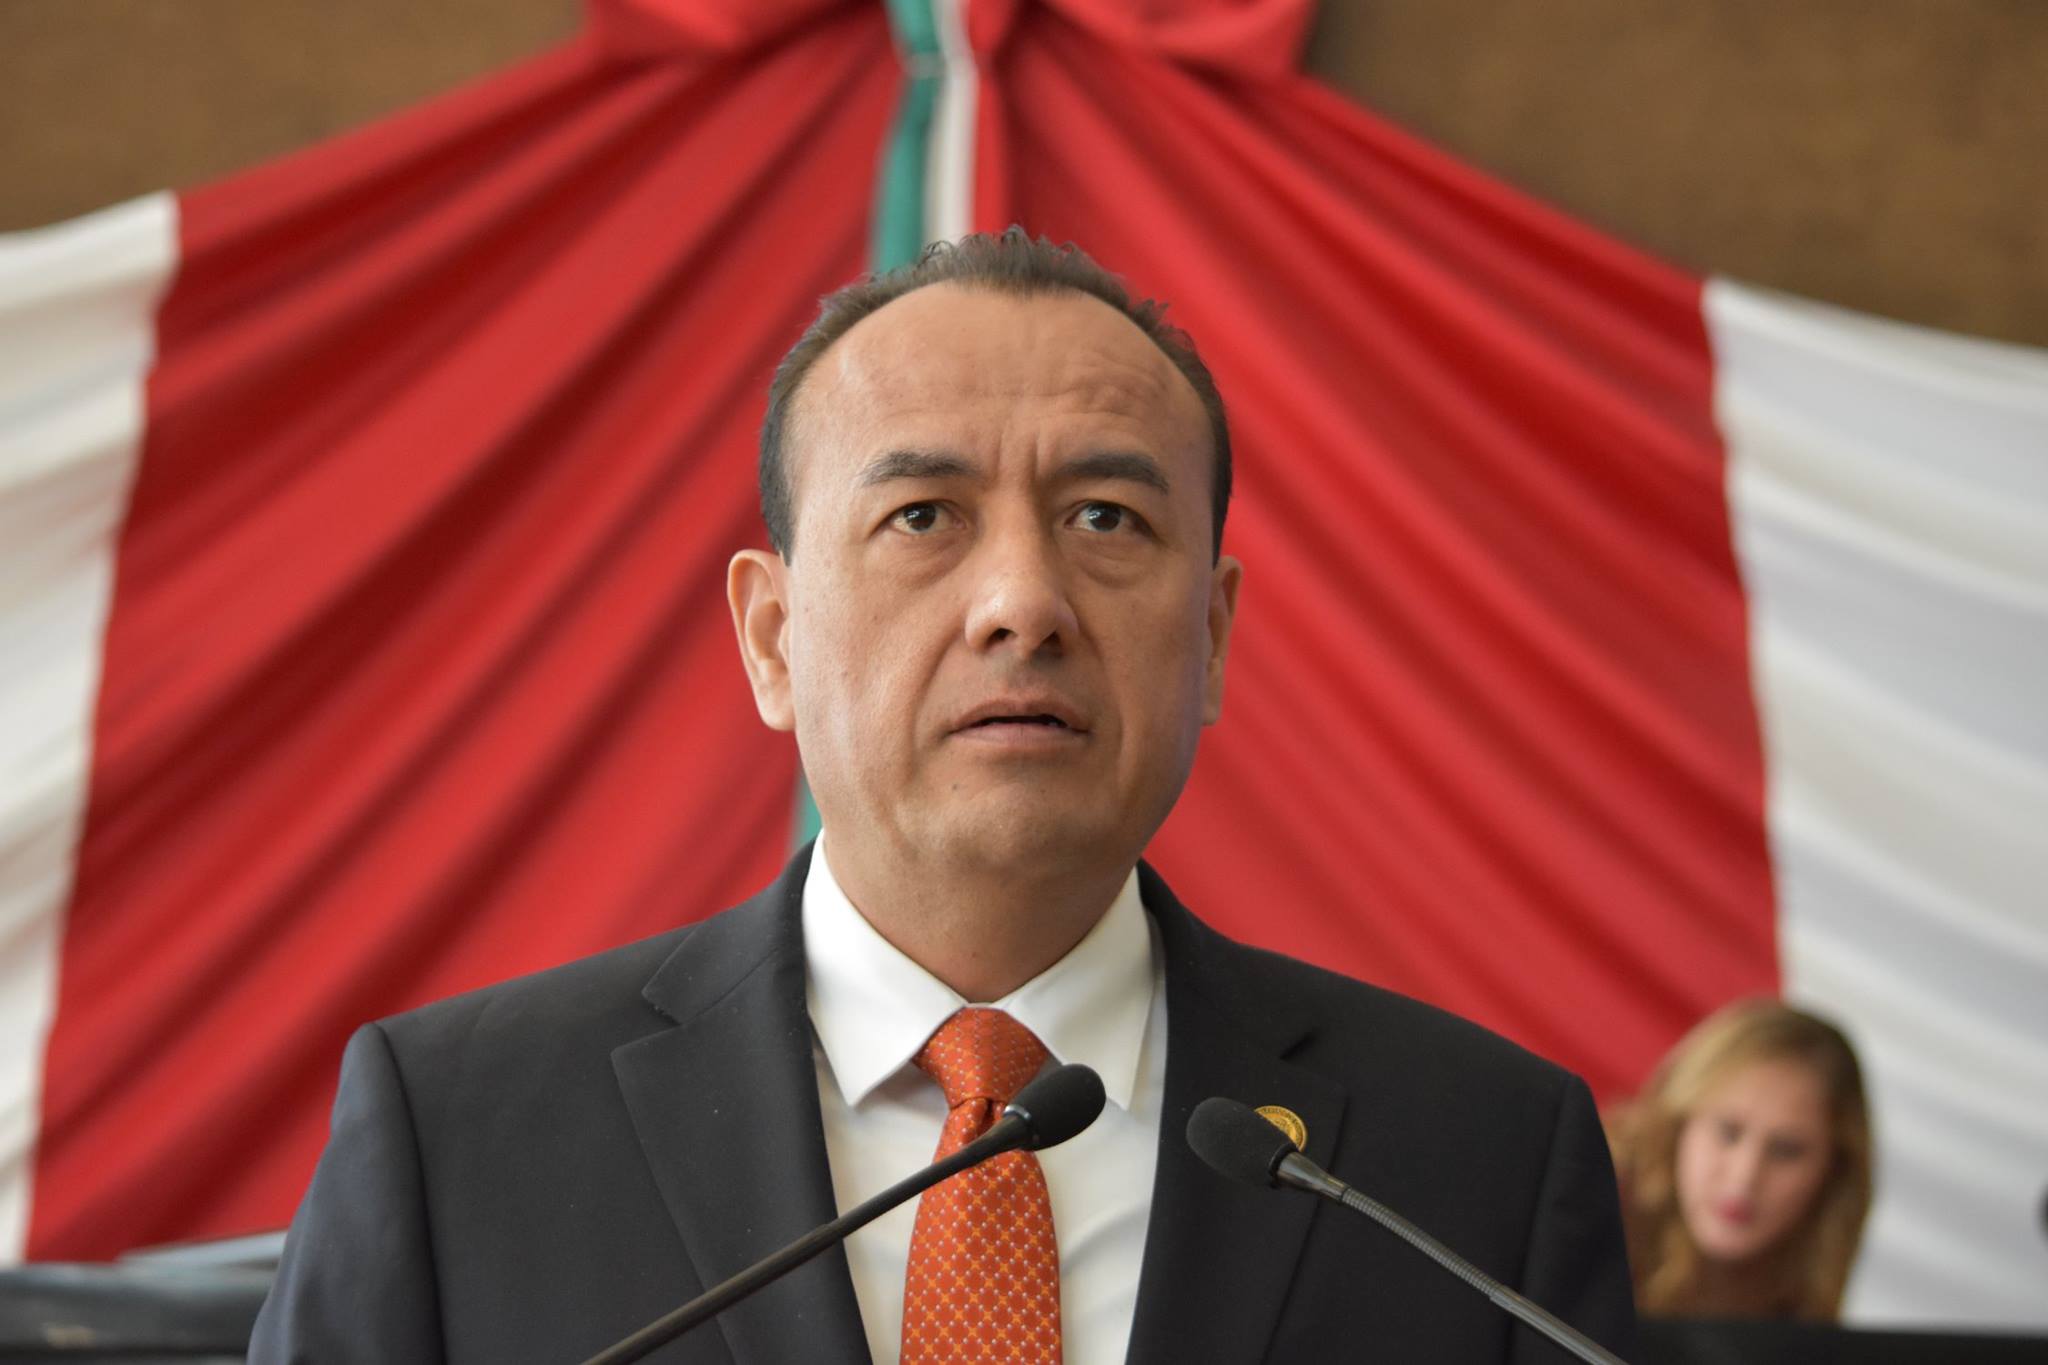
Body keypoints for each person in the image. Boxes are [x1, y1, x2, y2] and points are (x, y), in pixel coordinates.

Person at [250, 230, 1635, 1363]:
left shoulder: (1471, 1163)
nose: (1023, 602)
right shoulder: (461, 1133)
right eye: (922, 516)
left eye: (1105, 519)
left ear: (1210, 638)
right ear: (773, 639)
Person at [1607, 998, 1872, 1320]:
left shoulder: (1808, 1324)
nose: (1744, 1176)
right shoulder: (1583, 1208)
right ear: (1678, 1124)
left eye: (1786, 1150)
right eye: (1728, 1132)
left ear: (1833, 1172)